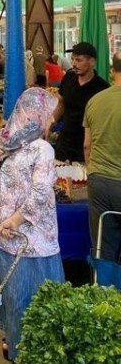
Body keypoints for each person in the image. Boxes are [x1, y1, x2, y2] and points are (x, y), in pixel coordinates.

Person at [0, 87, 64, 362]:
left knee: (14, 297)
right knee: (42, 303)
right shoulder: (42, 149)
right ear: (38, 114)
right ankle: (35, 354)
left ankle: (13, 347)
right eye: (49, 114)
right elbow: (41, 193)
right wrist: (14, 220)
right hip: (35, 242)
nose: (51, 119)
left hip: (4, 237)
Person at [83, 51, 121, 262]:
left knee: (103, 247)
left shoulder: (95, 101)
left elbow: (87, 145)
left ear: (112, 71)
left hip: (98, 181)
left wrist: (92, 172)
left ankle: (104, 280)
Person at [54, 42, 109, 162]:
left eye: (79, 60)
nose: (74, 64)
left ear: (92, 62)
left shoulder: (102, 88)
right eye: (72, 59)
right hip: (64, 143)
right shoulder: (68, 78)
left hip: (87, 147)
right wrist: (51, 120)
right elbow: (61, 103)